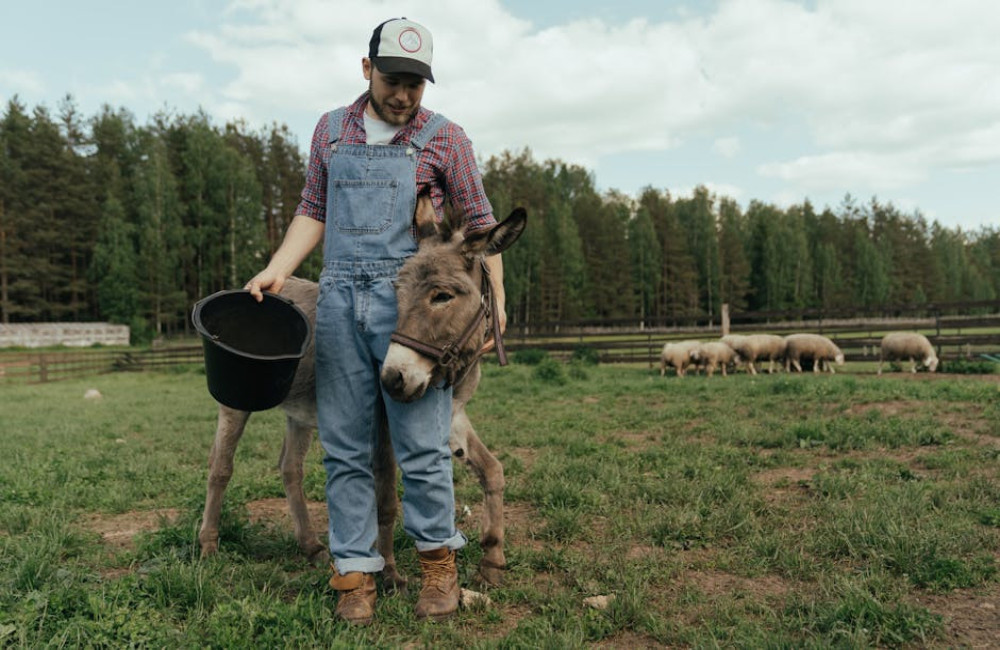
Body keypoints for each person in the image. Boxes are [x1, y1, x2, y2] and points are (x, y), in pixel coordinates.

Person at [244, 17, 505, 624]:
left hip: (410, 310)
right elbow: (314, 207)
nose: (405, 95)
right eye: (394, 80)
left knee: (422, 448)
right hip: (337, 303)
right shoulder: (331, 131)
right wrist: (277, 269)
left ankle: (439, 570)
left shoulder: (447, 139)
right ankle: (354, 574)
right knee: (345, 448)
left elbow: (484, 229)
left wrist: (491, 311)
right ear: (367, 70)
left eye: (417, 84)